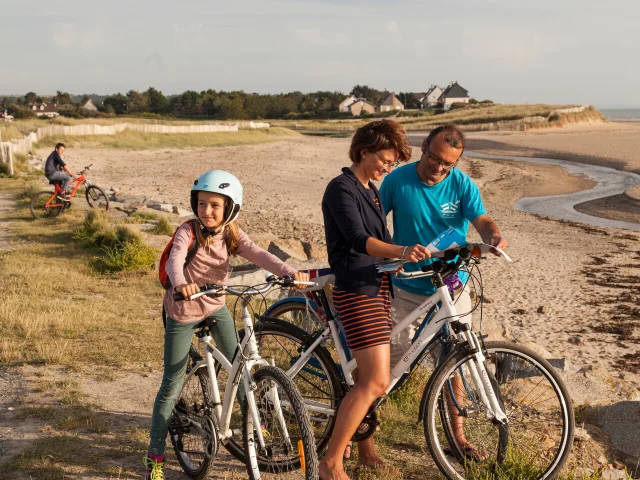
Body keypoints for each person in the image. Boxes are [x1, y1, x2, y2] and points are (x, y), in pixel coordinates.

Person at [143, 170, 309, 480]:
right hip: (183, 308)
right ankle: (155, 455)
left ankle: (254, 425)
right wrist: (181, 284)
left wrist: (289, 272)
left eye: (215, 206)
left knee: (240, 366)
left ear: (230, 208)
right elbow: (175, 260)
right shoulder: (188, 231)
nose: (207, 211)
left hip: (216, 305)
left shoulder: (231, 232)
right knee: (172, 383)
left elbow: (258, 253)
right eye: (202, 204)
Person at [379, 124, 508, 461]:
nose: (438, 167)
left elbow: (481, 219)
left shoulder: (462, 184)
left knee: (455, 359)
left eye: (447, 164)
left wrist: (493, 236)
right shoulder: (398, 180)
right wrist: (391, 252)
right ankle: (362, 424)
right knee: (391, 358)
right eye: (435, 158)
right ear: (424, 147)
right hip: (406, 283)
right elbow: (375, 224)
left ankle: (458, 436)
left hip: (452, 284)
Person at [319, 120, 429, 480]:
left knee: (366, 378)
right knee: (376, 382)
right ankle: (331, 463)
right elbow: (357, 239)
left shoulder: (372, 191)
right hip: (356, 291)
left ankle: (364, 450)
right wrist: (400, 249)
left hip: (379, 288)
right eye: (385, 159)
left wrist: (396, 262)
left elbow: (376, 244)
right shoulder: (341, 189)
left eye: (393, 163)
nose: (387, 167)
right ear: (364, 151)